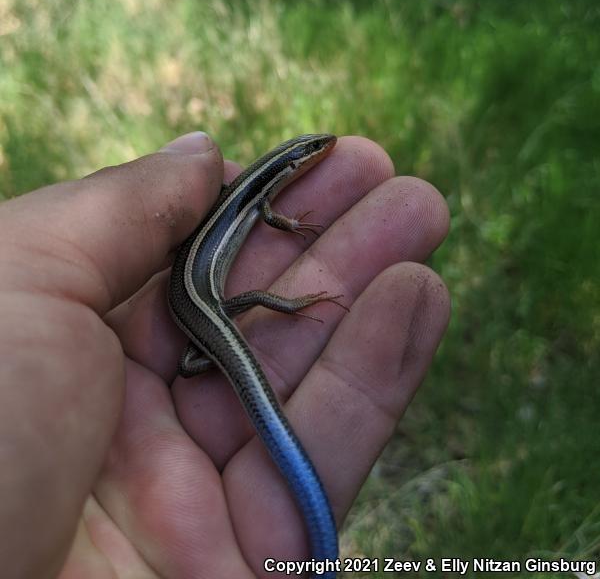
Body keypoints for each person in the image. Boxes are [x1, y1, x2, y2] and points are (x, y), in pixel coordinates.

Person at [0, 132, 450, 579]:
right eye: (311, 149)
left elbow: (261, 213)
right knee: (248, 303)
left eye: (313, 147)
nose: (320, 149)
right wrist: (290, 235)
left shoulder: (252, 196)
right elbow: (266, 216)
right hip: (203, 305)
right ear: (290, 166)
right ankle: (290, 307)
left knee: (206, 349)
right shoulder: (257, 198)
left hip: (197, 305)